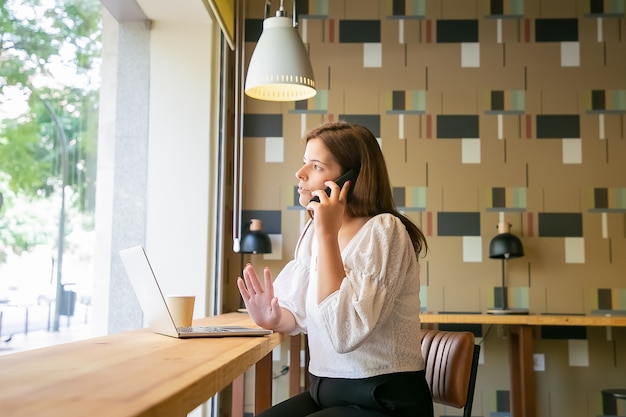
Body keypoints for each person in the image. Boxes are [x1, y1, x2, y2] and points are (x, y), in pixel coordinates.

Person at [237, 121, 433, 417]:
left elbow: (345, 332)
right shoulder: (313, 233)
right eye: (305, 163)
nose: (300, 174)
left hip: (384, 401)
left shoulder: (384, 230)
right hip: (325, 393)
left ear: (350, 178)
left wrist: (328, 235)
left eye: (316, 166)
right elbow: (305, 315)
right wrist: (276, 316)